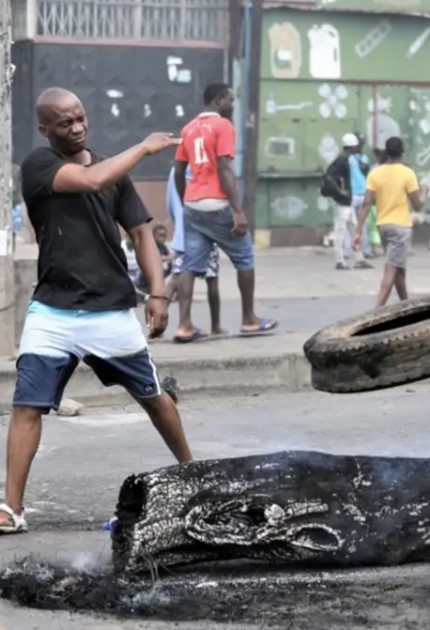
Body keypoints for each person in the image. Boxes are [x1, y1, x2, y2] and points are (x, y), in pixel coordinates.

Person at [2, 87, 194, 534]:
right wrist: (145, 147)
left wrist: (158, 293)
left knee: (154, 398)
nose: (76, 127)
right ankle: (11, 509)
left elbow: (142, 234)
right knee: (26, 406)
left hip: (110, 309)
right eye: (65, 122)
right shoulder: (39, 166)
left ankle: (192, 473)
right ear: (45, 129)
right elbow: (89, 181)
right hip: (53, 309)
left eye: (80, 118)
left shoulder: (113, 171)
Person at [172, 82, 278, 343]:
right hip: (217, 204)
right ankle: (249, 319)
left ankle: (184, 325)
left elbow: (178, 171)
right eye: (230, 99)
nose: (233, 104)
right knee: (244, 257)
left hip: (192, 205)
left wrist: (186, 198)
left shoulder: (188, 128)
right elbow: (224, 169)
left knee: (190, 265)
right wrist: (238, 211)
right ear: (218, 101)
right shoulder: (223, 126)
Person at [355, 137, 424, 307]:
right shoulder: (408, 173)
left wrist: (358, 228)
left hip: (383, 227)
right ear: (402, 152)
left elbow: (367, 202)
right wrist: (426, 191)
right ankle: (377, 310)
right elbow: (418, 205)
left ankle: (405, 305)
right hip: (400, 227)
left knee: (398, 267)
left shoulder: (375, 173)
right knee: (392, 266)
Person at [165, 164, 224, 336]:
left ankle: (155, 326)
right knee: (212, 279)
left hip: (183, 233)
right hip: (203, 231)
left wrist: (179, 226)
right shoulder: (204, 165)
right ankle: (214, 326)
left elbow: (169, 202)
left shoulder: (175, 169)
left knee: (175, 279)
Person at [323, 133, 372, 270]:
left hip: (347, 202)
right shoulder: (342, 161)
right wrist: (340, 192)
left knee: (354, 229)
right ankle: (339, 261)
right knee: (340, 231)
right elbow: (329, 178)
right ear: (353, 146)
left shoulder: (345, 159)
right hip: (342, 203)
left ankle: (359, 259)